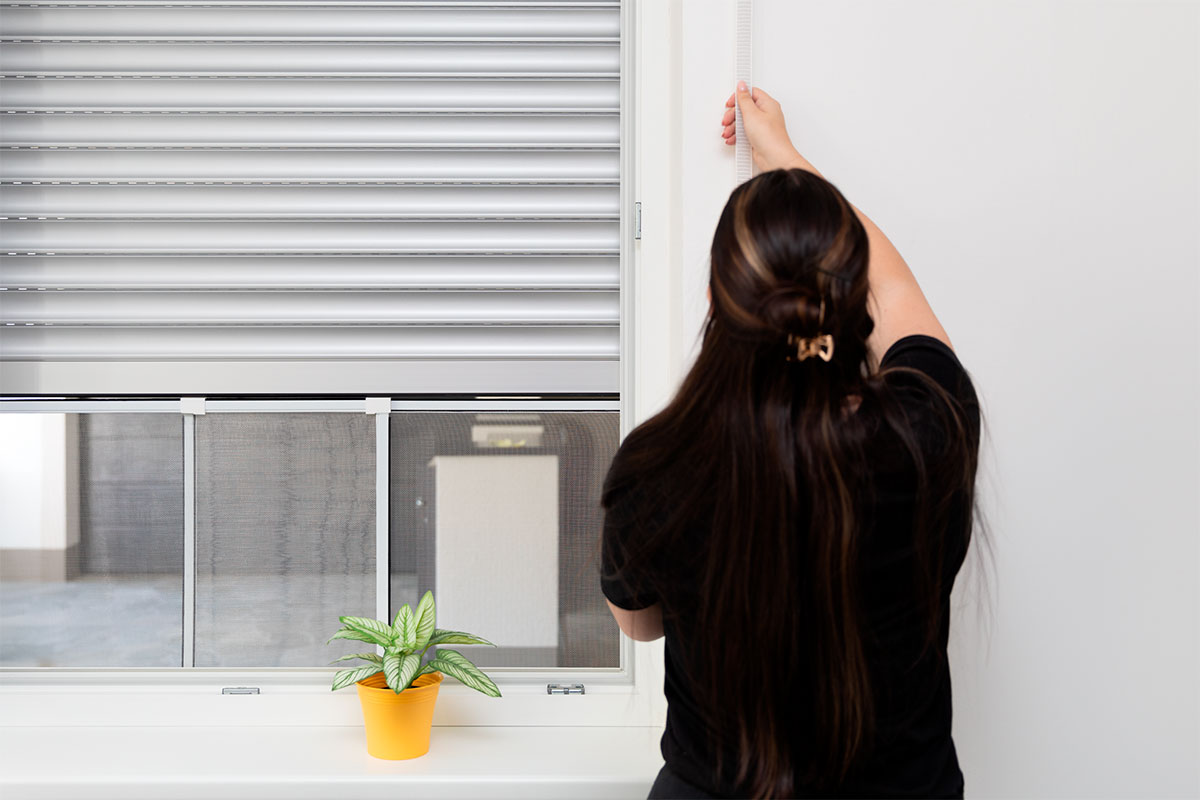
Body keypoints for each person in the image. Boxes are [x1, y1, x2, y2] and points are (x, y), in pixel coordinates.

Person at [598, 81, 987, 799]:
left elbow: (640, 626)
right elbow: (896, 288)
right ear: (846, 299)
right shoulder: (928, 426)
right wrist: (788, 161)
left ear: (716, 301)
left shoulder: (655, 467)